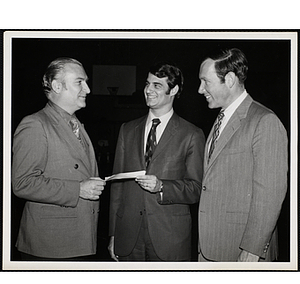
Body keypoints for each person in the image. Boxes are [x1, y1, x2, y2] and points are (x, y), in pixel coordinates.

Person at [197, 48, 288, 262]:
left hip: (242, 252)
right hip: (210, 247)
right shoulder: (221, 118)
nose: (200, 89)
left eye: (205, 81)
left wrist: (253, 250)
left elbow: (270, 195)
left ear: (229, 80)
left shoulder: (264, 121)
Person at [108, 62, 205, 262]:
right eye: (147, 84)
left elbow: (196, 188)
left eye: (156, 85)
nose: (148, 90)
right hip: (129, 238)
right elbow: (117, 188)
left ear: (174, 90)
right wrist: (113, 234)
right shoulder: (127, 130)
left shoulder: (192, 134)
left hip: (169, 239)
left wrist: (162, 186)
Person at [12, 57, 106, 261]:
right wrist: (78, 189)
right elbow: (22, 183)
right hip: (50, 246)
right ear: (56, 86)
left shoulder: (76, 124)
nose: (88, 89)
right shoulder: (35, 124)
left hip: (79, 238)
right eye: (79, 82)